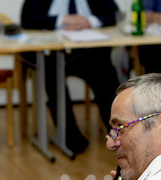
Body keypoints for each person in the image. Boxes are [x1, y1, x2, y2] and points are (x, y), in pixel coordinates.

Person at [20, 0, 121, 154]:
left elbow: (116, 14)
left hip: (87, 51)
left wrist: (89, 21)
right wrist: (63, 19)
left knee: (106, 74)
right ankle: (70, 138)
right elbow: (27, 19)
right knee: (53, 76)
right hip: (52, 54)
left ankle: (118, 134)